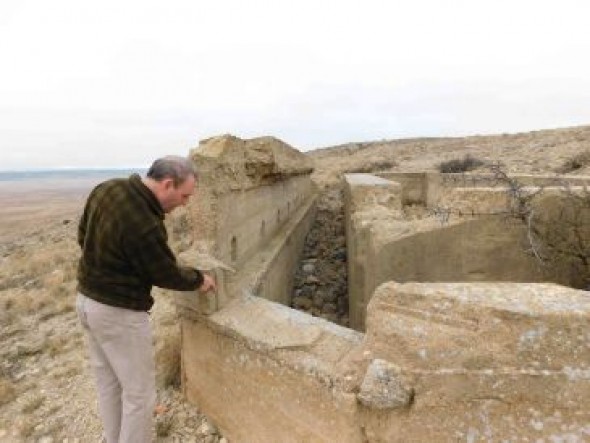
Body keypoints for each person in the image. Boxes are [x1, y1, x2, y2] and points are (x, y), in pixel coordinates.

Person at [75, 156, 216, 443]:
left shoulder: (107, 189)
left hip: (86, 302)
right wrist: (199, 279)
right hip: (118, 315)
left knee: (109, 383)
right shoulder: (145, 223)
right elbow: (164, 273)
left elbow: (83, 236)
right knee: (140, 395)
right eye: (184, 195)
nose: (185, 203)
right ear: (167, 184)